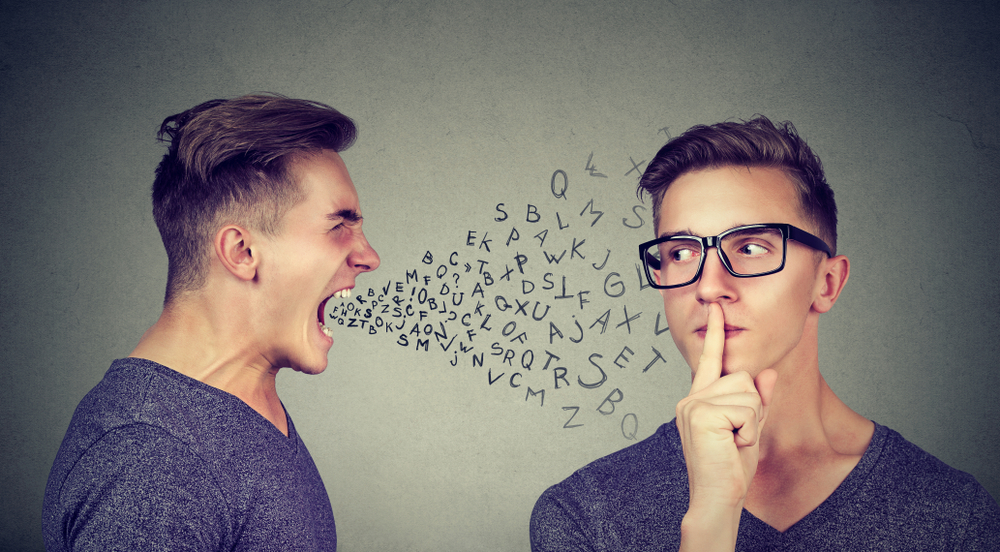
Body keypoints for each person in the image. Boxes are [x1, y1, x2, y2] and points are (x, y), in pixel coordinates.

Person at [529, 116, 1000, 551]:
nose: (709, 286)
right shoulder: (584, 517)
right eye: (681, 253)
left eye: (751, 247)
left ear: (827, 282)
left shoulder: (954, 518)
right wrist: (711, 519)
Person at [43, 94, 380, 551]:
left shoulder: (239, 414)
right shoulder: (152, 462)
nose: (368, 257)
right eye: (339, 224)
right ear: (242, 252)